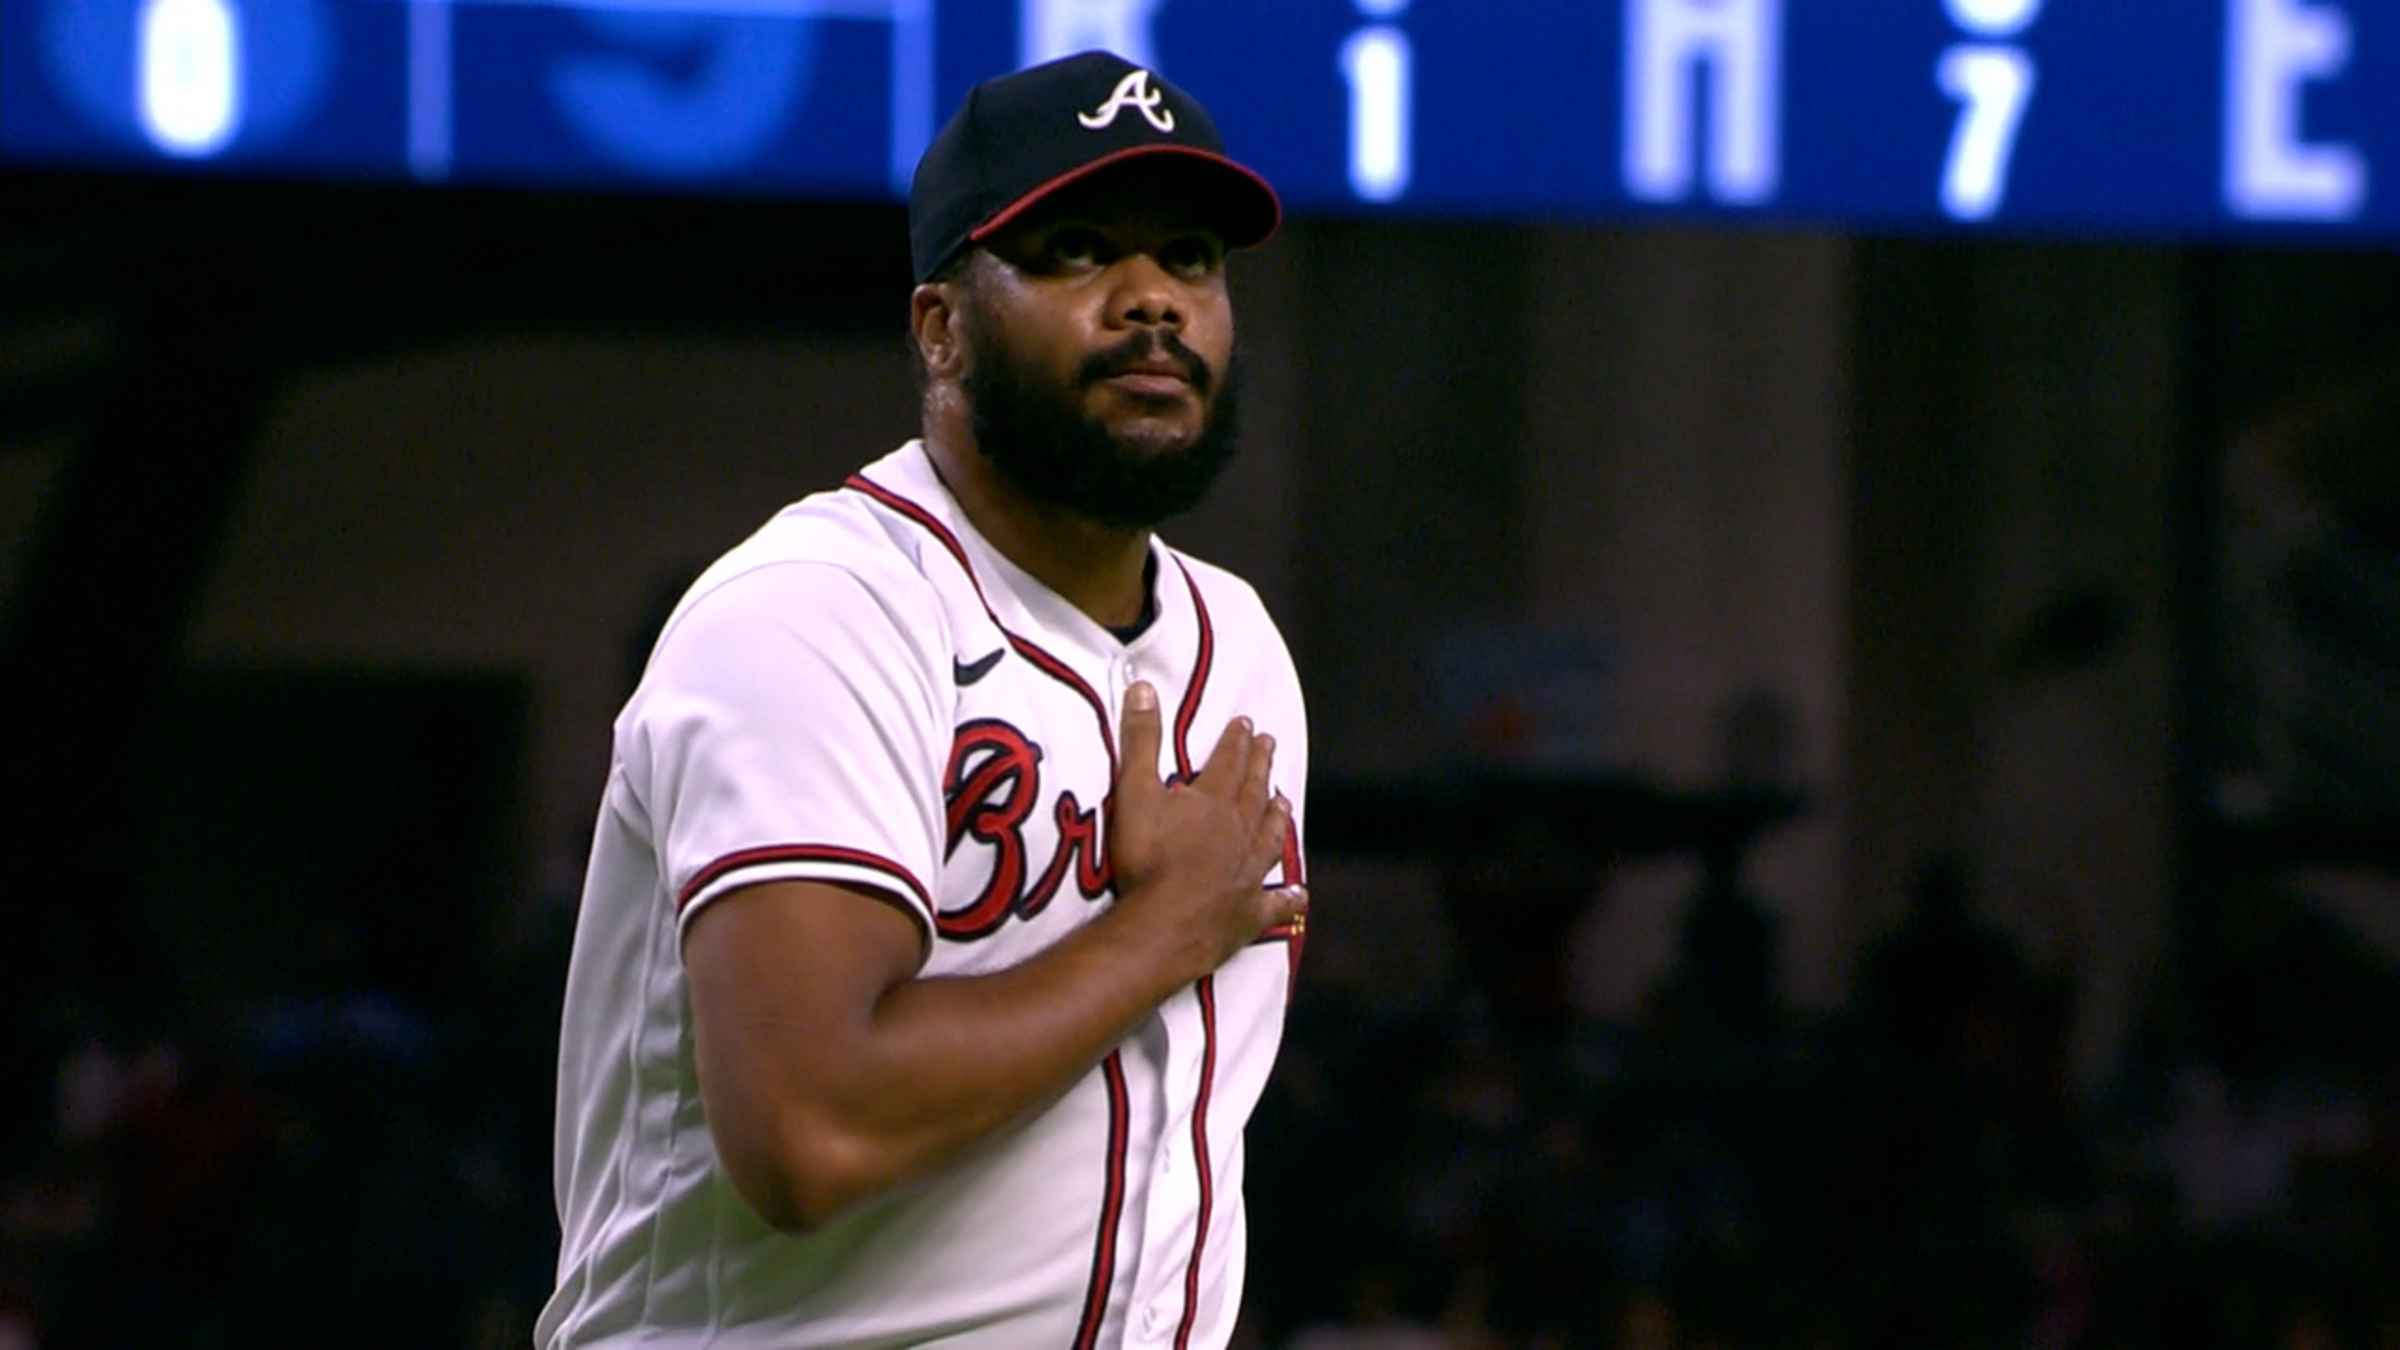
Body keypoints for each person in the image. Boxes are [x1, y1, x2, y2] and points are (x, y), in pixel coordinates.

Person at [536, 51, 1311, 1349]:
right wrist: (1161, 928)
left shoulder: (1240, 646)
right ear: (940, 326)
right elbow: (807, 1127)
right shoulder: (814, 611)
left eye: (1188, 256)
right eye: (1074, 250)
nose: (1152, 302)